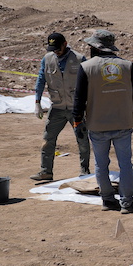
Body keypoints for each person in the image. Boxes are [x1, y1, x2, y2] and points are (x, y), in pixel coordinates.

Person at [72, 29, 133, 214]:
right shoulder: (127, 66)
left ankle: (107, 200)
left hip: (97, 126)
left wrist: (77, 122)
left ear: (96, 48)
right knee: (126, 165)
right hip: (122, 123)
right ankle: (127, 204)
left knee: (100, 164)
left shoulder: (86, 67)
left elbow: (79, 99)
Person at [30, 32, 91, 181]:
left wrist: (88, 106)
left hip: (75, 108)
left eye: (58, 48)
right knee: (48, 139)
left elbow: (88, 84)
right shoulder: (48, 59)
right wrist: (37, 102)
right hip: (57, 107)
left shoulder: (79, 59)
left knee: (82, 139)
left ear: (65, 44)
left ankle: (85, 170)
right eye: (53, 49)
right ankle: (46, 171)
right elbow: (40, 80)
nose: (56, 51)